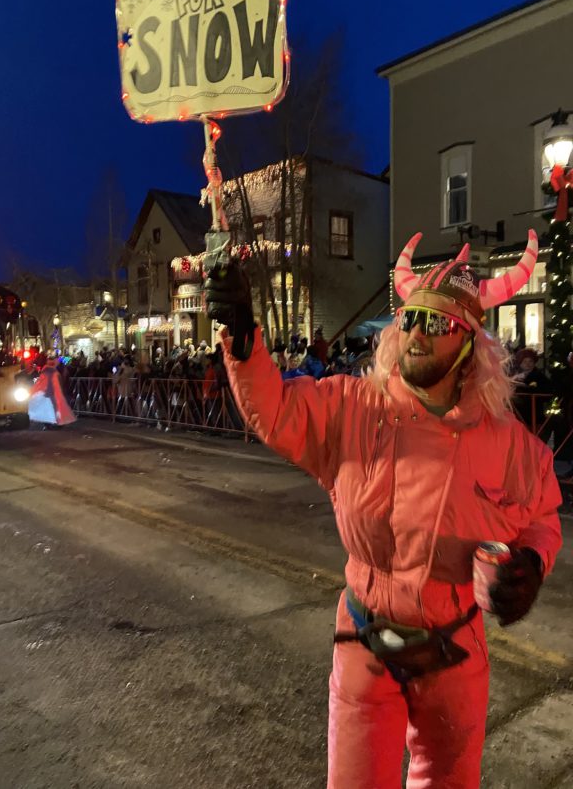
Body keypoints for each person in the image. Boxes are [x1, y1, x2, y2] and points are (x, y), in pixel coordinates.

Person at [204, 229, 562, 789]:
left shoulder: (509, 444)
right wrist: (244, 340)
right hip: (366, 645)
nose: (417, 332)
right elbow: (273, 409)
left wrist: (532, 566)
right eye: (411, 318)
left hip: (456, 652)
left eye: (437, 323)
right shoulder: (351, 406)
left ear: (470, 344)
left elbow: (542, 516)